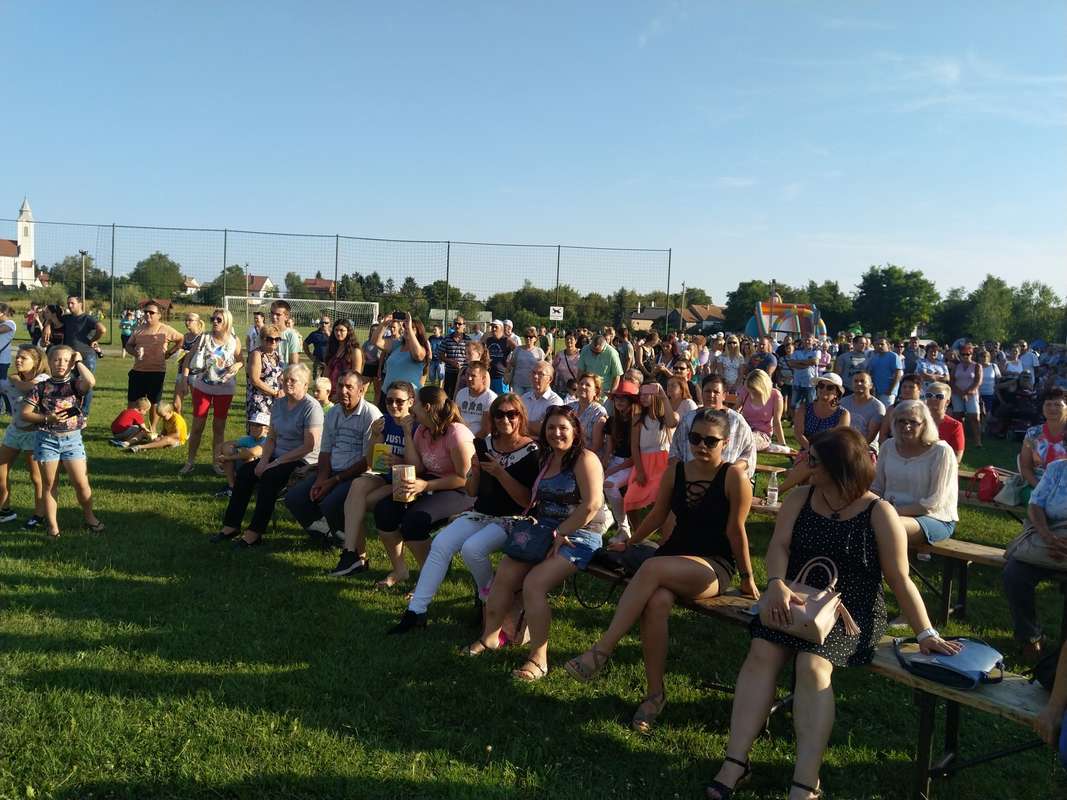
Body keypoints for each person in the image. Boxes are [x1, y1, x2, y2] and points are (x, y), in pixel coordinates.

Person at [704, 427, 959, 800]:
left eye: (814, 461)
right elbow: (779, 546)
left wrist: (926, 633)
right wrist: (775, 582)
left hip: (851, 610)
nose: (806, 464)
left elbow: (900, 579)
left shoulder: (879, 512)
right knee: (762, 651)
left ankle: (805, 781)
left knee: (812, 665)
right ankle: (735, 761)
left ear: (840, 468)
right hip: (796, 598)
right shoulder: (802, 498)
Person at [565, 409, 758, 731]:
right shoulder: (676, 471)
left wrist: (748, 578)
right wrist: (629, 542)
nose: (702, 446)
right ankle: (655, 695)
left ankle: (601, 651)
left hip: (713, 565)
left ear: (725, 443)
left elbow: (737, 532)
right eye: (695, 438)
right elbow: (656, 516)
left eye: (711, 441)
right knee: (656, 602)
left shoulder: (734, 477)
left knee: (652, 567)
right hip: (674, 556)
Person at [466, 405, 607, 682]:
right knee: (505, 572)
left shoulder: (585, 459)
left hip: (580, 534)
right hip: (544, 529)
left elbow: (591, 505)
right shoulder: (546, 457)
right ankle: (490, 636)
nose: (556, 433)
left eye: (563, 428)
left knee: (534, 584)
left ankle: (538, 659)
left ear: (575, 431)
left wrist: (562, 532)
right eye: (551, 428)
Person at [388, 393, 540, 633]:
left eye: (512, 414)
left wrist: (500, 473)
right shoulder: (486, 444)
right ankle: (416, 611)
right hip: (481, 512)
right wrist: (475, 472)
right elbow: (471, 490)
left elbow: (526, 501)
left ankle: (488, 598)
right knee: (441, 543)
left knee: (472, 549)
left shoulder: (532, 450)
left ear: (521, 417)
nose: (505, 420)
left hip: (513, 518)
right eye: (499, 414)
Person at [372, 385, 477, 589]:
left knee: (414, 521)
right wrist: (407, 434)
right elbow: (417, 467)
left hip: (461, 490)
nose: (412, 409)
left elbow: (465, 478)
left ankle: (429, 577)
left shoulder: (456, 433)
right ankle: (400, 570)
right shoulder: (422, 430)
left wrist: (426, 485)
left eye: (416, 404)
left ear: (427, 407)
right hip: (429, 482)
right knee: (384, 510)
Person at [211, 364, 323, 548]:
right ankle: (231, 526)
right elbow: (271, 438)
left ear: (305, 384)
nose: (288, 383)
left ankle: (255, 533)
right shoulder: (279, 404)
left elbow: (308, 446)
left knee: (270, 477)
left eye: (293, 380)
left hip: (302, 459)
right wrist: (262, 462)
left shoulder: (311, 407)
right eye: (285, 379)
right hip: (277, 455)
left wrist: (275, 463)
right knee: (246, 473)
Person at [330, 381, 417, 576]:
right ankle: (350, 553)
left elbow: (420, 467)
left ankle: (357, 556)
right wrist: (375, 436)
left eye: (399, 401)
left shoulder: (416, 425)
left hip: (406, 480)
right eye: (389, 400)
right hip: (385, 476)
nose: (393, 405)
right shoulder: (384, 422)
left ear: (411, 402)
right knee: (358, 484)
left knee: (358, 503)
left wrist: (399, 460)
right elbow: (372, 463)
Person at [285, 372, 381, 541]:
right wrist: (321, 479)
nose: (343, 391)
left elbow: (368, 462)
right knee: (294, 498)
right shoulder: (333, 412)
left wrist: (334, 481)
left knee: (330, 503)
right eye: (340, 386)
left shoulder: (371, 415)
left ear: (361, 391)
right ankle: (326, 535)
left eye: (349, 387)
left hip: (358, 476)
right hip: (332, 471)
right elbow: (325, 451)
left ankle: (346, 539)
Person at [22, 345, 103, 537]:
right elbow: (26, 413)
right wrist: (47, 418)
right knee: (50, 484)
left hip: (72, 440)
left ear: (72, 364)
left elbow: (91, 381)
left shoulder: (76, 385)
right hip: (46, 440)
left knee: (81, 483)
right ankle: (53, 527)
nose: (61, 363)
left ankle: (89, 517)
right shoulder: (40, 387)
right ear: (49, 362)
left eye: (66, 360)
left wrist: (79, 361)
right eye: (57, 360)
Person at [1003, 458, 1067, 664]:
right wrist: (1047, 536)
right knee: (1015, 573)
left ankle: (1063, 650)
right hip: (1049, 537)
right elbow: (1035, 503)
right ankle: (1029, 636)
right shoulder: (1057, 468)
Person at [872, 401, 959, 545]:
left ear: (925, 424)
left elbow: (933, 503)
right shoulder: (888, 446)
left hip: (934, 518)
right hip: (889, 514)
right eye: (901, 421)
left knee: (888, 526)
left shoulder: (941, 451)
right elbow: (877, 487)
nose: (906, 426)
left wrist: (891, 512)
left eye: (913, 422)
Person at [180, 309, 242, 475]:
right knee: (197, 426)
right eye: (213, 318)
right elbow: (188, 359)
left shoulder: (234, 340)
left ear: (227, 322)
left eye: (219, 319)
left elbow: (241, 360)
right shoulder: (204, 337)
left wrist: (238, 365)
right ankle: (190, 462)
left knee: (219, 428)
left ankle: (217, 463)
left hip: (225, 389)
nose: (215, 321)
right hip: (203, 387)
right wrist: (184, 380)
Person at [671, 375, 757, 481]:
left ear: (724, 395)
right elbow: (674, 451)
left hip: (724, 480)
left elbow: (749, 454)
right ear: (701, 393)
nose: (711, 395)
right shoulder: (688, 419)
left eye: (716, 392)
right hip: (690, 478)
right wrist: (683, 473)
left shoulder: (736, 421)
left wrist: (728, 472)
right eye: (707, 391)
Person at [0, 344, 49, 527]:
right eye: (17, 357)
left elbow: (28, 387)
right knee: (1, 469)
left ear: (36, 362)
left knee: (36, 477)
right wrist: (12, 380)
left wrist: (13, 379)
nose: (18, 360)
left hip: (35, 433)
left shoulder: (43, 379)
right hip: (14, 431)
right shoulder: (13, 380)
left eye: (24, 358)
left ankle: (39, 515)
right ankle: (5, 510)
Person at [778, 373, 850, 496]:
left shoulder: (843, 414)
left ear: (837, 393)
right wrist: (812, 451)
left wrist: (818, 454)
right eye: (821, 386)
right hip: (806, 451)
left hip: (830, 455)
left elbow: (838, 440)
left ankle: (778, 491)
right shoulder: (804, 408)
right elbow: (798, 434)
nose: (824, 389)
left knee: (810, 469)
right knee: (809, 467)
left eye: (830, 387)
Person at [124, 300, 184, 432]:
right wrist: (135, 353)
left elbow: (181, 339)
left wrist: (169, 352)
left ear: (159, 315)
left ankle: (153, 429)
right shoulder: (138, 329)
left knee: (154, 403)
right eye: (145, 312)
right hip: (138, 370)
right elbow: (128, 345)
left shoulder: (165, 329)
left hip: (156, 371)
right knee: (133, 402)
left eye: (151, 312)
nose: (148, 314)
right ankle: (133, 429)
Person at [41, 296, 106, 416]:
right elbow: (53, 318)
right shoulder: (67, 318)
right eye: (68, 303)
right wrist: (48, 326)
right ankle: (71, 408)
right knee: (69, 383)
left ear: (80, 304)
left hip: (86, 356)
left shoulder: (87, 318)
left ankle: (84, 412)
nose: (69, 306)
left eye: (72, 303)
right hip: (69, 357)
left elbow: (102, 329)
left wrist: (93, 340)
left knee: (86, 383)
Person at [623, 382, 675, 522]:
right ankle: (638, 532)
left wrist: (663, 396)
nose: (643, 397)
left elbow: (672, 423)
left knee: (659, 500)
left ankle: (661, 530)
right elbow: (634, 446)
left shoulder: (667, 417)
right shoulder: (638, 418)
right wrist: (640, 471)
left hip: (663, 463)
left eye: (647, 394)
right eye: (641, 394)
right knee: (630, 498)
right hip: (644, 463)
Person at [603, 380, 639, 539]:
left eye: (623, 398)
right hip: (615, 461)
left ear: (631, 401)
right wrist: (604, 464)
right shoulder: (612, 421)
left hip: (631, 463)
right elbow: (609, 446)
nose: (619, 401)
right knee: (593, 480)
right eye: (617, 398)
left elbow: (635, 455)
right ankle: (604, 517)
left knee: (609, 484)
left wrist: (613, 469)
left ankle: (623, 528)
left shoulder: (637, 421)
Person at [1020, 388, 1067, 491]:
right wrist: (1041, 489)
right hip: (1037, 486)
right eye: (1048, 404)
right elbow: (1025, 467)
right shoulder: (1032, 433)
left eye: (1058, 405)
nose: (1052, 408)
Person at [373, 312, 430, 392]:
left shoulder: (422, 349)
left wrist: (409, 328)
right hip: (388, 393)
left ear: (419, 332)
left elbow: (417, 355)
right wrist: (384, 324)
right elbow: (376, 341)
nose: (406, 329)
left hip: (407, 396)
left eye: (412, 328)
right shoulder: (397, 344)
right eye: (405, 327)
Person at [736, 368, 786, 451]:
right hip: (743, 430)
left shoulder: (775, 395)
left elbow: (776, 421)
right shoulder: (745, 392)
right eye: (749, 389)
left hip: (762, 435)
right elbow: (735, 410)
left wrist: (783, 444)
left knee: (746, 441)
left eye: (754, 390)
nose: (751, 392)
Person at [214, 422, 269, 498]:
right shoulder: (248, 439)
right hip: (253, 469)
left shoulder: (268, 440)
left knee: (248, 458)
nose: (254, 428)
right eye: (252, 425)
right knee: (229, 451)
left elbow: (252, 453)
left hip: (264, 471)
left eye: (258, 426)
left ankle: (248, 487)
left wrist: (227, 458)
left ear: (267, 429)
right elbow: (226, 445)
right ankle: (232, 486)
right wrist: (219, 457)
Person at [840, 372, 885, 453]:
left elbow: (870, 436)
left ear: (870, 385)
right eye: (856, 381)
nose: (859, 383)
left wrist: (855, 450)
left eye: (862, 381)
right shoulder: (843, 402)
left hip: (866, 448)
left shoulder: (877, 407)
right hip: (844, 445)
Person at [951, 343, 983, 448]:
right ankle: (959, 439)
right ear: (960, 355)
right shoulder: (956, 366)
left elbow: (978, 381)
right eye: (963, 354)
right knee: (958, 417)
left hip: (971, 394)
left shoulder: (977, 366)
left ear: (971, 354)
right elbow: (952, 381)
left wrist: (967, 392)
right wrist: (960, 393)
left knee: (974, 417)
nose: (965, 356)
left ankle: (978, 441)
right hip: (957, 393)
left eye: (968, 354)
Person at [172, 312, 204, 415]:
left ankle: (196, 425)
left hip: (196, 374)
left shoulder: (202, 337)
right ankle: (179, 425)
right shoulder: (184, 337)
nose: (187, 322)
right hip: (181, 372)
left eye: (190, 320)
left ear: (197, 322)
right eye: (186, 320)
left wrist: (188, 354)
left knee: (197, 405)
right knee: (176, 405)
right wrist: (178, 353)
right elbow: (177, 353)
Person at [924, 381, 964, 463]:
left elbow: (957, 457)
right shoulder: (917, 421)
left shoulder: (955, 426)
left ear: (947, 402)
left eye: (939, 396)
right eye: (929, 395)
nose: (933, 399)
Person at [520, 362, 563, 436]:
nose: (535, 376)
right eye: (533, 373)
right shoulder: (524, 398)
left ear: (550, 379)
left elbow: (545, 429)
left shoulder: (555, 402)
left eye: (540, 374)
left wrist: (522, 422)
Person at [568, 372, 608, 453]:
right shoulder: (570, 407)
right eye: (581, 384)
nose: (583, 386)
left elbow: (596, 446)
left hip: (588, 455)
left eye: (588, 385)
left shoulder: (598, 412)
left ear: (595, 391)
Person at [577, 335, 623, 401]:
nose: (594, 353)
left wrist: (612, 393)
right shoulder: (585, 349)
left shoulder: (612, 353)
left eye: (597, 352)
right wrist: (578, 388)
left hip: (604, 395)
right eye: (592, 351)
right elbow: (580, 371)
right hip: (588, 392)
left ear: (604, 346)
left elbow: (617, 375)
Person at [455, 362, 496, 434]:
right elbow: (457, 419)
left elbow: (486, 430)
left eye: (473, 376)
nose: (469, 378)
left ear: (483, 378)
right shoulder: (461, 393)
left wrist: (470, 440)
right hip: (461, 435)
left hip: (479, 439)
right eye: (467, 374)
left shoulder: (490, 397)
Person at [865, 336, 903, 407]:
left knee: (887, 411)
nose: (879, 346)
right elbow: (869, 373)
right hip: (875, 392)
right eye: (877, 344)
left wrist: (890, 390)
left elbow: (898, 374)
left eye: (882, 344)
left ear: (888, 345)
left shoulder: (893, 356)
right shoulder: (874, 357)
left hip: (888, 392)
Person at [508, 327, 546, 396]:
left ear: (535, 339)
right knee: (517, 401)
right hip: (518, 383)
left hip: (532, 384)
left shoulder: (539, 351)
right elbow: (511, 364)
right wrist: (507, 374)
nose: (528, 338)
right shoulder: (517, 350)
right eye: (526, 336)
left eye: (531, 337)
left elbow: (542, 368)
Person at [439, 315, 470, 398]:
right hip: (450, 373)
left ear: (464, 325)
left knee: (462, 396)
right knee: (449, 397)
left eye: (459, 324)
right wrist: (450, 361)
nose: (457, 325)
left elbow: (471, 356)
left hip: (464, 374)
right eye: (455, 323)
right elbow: (441, 355)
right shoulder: (447, 339)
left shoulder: (468, 340)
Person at [482, 320, 515, 394]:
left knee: (502, 398)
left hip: (501, 376)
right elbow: (480, 348)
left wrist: (510, 365)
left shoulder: (506, 340)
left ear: (502, 329)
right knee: (490, 398)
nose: (493, 329)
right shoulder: (488, 340)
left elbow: (518, 350)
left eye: (496, 327)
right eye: (492, 327)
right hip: (489, 375)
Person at [0, 304, 17, 414]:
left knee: (3, 385)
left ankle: (10, 408)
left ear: (2, 313)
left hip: (3, 360)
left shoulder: (10, 324)